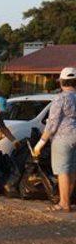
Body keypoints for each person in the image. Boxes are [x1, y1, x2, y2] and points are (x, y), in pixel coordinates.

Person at [33, 67, 76, 212]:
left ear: (61, 82)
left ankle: (64, 203)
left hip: (62, 137)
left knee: (62, 170)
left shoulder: (60, 98)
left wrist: (40, 143)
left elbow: (52, 123)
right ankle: (67, 199)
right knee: (73, 170)